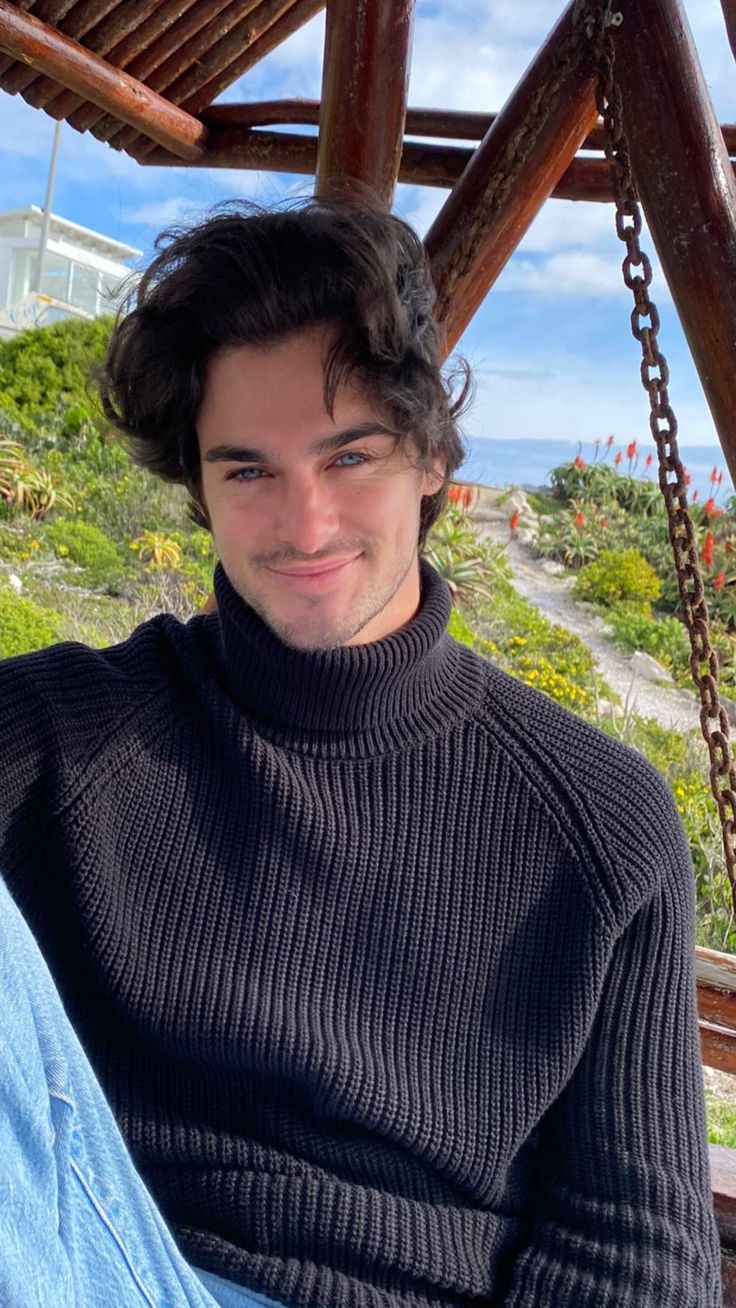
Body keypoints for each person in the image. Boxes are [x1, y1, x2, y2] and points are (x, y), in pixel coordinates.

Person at [0, 200, 722, 1308]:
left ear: (431, 460)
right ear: (199, 490)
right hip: (92, 1256)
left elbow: (631, 1244)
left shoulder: (597, 819)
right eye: (247, 471)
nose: (306, 521)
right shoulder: (68, 732)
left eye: (351, 456)